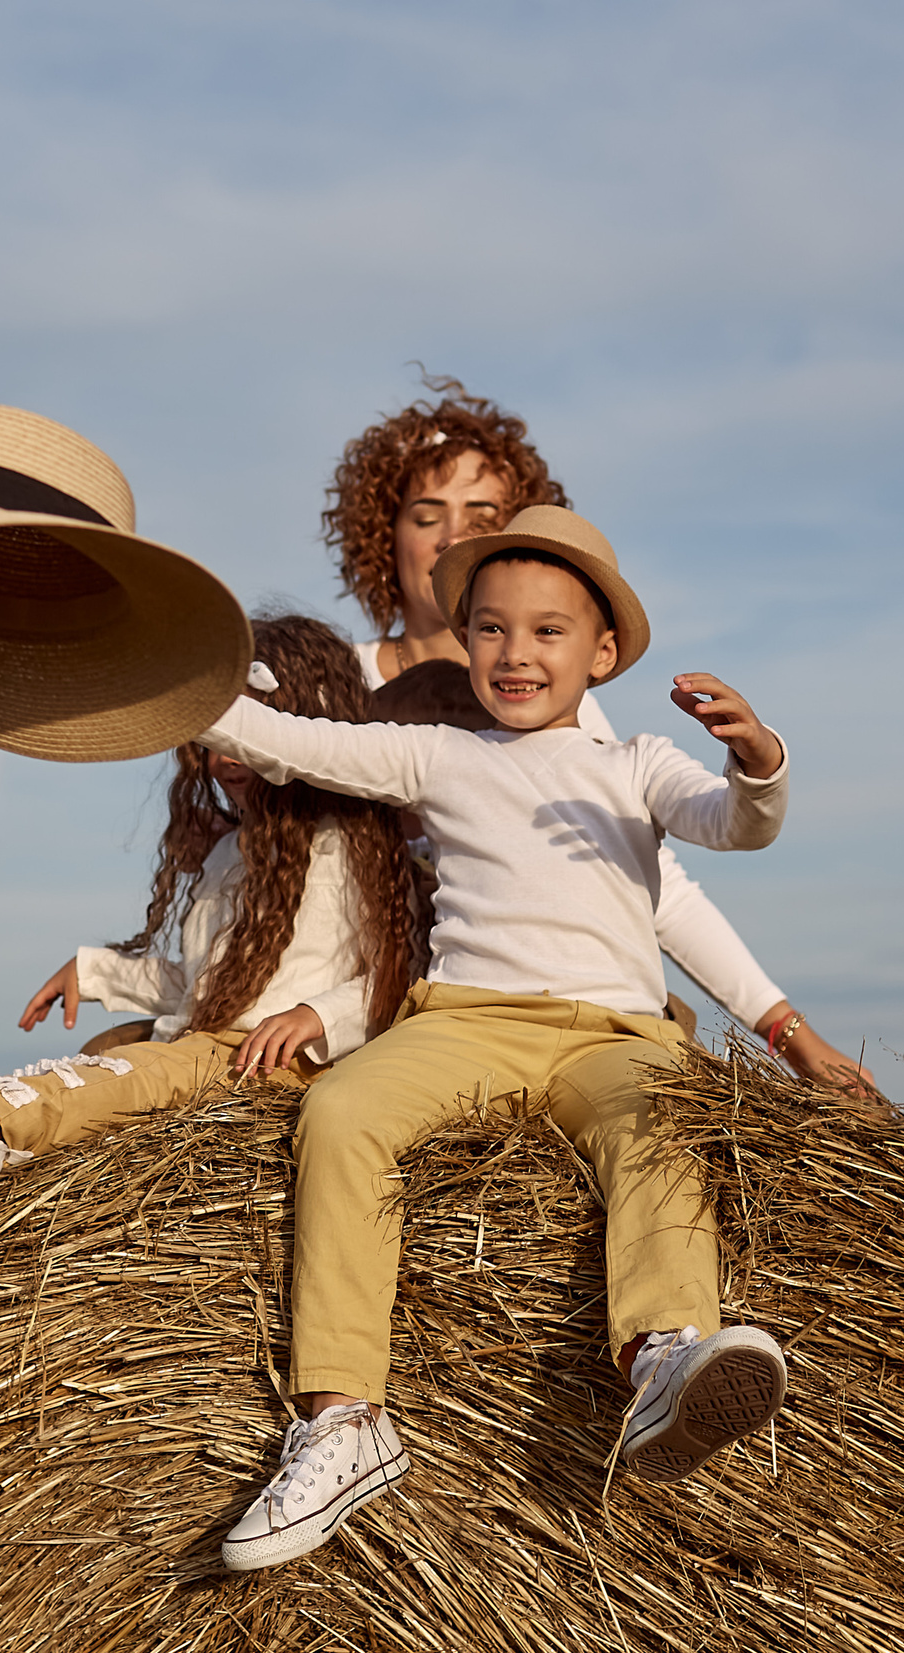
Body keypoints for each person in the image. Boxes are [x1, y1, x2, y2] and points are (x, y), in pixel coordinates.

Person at [199, 506, 794, 1572]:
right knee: (337, 1111)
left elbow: (732, 824)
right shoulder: (439, 756)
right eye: (489, 629)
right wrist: (194, 696)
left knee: (656, 1119)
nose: (515, 654)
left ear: (601, 651)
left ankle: (663, 1356)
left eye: (547, 632)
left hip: (611, 1031)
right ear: (464, 639)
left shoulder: (638, 764)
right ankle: (343, 1417)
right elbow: (298, 741)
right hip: (465, 1023)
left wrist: (756, 759)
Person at [0, 615, 422, 1244]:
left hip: (270, 1070)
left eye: (253, 727)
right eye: (214, 738)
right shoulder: (229, 854)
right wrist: (95, 972)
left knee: (112, 1078)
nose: (225, 758)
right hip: (204, 1047)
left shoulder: (349, 843)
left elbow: (396, 978)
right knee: (94, 1077)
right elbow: (197, 979)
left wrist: (318, 1014)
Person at [323, 379, 873, 1089]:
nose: (455, 533)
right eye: (428, 514)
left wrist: (791, 1034)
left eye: (483, 513)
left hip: (569, 1016)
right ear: (384, 533)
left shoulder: (562, 705)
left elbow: (654, 885)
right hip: (395, 999)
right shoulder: (337, 684)